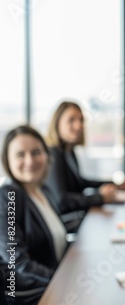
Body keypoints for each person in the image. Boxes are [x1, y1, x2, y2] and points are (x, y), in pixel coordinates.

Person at [0, 125, 67, 305]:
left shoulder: (42, 190)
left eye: (36, 152)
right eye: (20, 155)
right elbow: (18, 263)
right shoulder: (8, 197)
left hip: (55, 286)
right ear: (7, 160)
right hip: (32, 296)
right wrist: (63, 281)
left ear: (46, 154)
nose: (30, 161)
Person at [44, 101, 125, 218]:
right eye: (71, 120)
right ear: (57, 123)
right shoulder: (53, 154)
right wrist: (100, 197)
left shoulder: (68, 151)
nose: (79, 125)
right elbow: (62, 201)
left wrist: (114, 184)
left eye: (81, 120)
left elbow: (80, 183)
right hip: (65, 221)